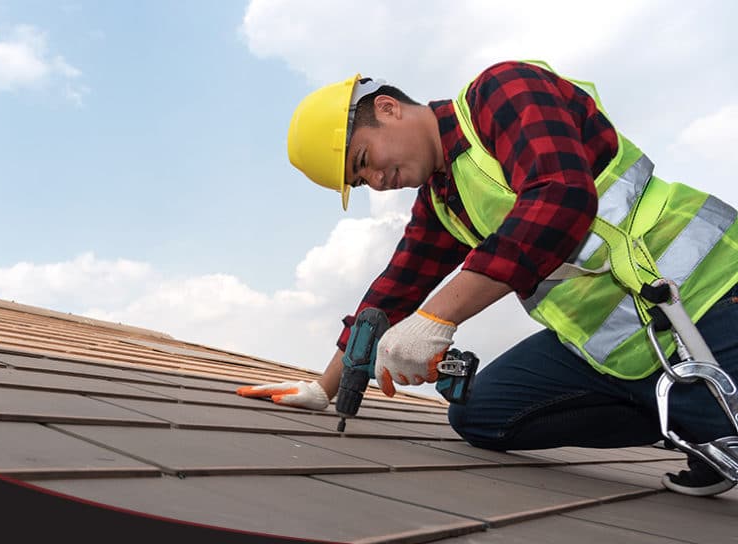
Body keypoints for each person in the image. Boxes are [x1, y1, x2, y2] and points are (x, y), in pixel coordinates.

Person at [237, 60, 738, 497]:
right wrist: (324, 387)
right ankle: (693, 424)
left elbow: (561, 197)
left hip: (710, 295)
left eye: (364, 161)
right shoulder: (443, 198)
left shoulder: (503, 90)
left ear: (388, 109)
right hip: (621, 346)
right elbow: (396, 287)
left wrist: (438, 317)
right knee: (479, 414)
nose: (377, 182)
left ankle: (709, 422)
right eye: (361, 181)